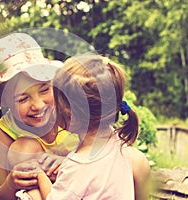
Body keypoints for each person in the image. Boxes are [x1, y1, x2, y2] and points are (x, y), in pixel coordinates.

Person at [21, 53, 151, 200]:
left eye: (57, 102)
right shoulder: (133, 157)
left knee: (31, 195)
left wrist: (39, 174)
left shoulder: (77, 166)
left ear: (71, 113)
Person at [0, 33, 79, 200]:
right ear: (5, 101)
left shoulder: (69, 112)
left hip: (81, 186)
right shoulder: (7, 130)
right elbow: (2, 195)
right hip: (41, 192)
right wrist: (11, 182)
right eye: (22, 98)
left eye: (44, 90)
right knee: (23, 152)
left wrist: (69, 166)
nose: (38, 105)